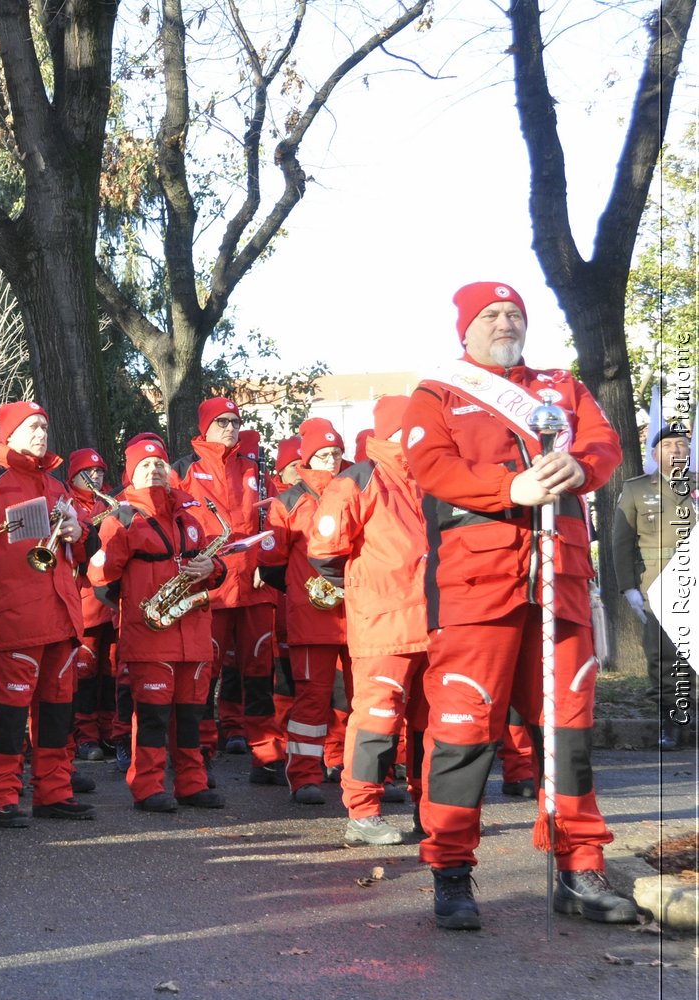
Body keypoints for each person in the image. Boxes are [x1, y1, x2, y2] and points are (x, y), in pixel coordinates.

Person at [403, 280, 635, 931]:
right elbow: (431, 464)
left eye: (514, 313)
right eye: (492, 313)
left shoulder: (563, 384)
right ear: (466, 329)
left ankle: (580, 868)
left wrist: (578, 468)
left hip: (558, 583)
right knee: (462, 734)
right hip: (478, 589)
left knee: (571, 734)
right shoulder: (439, 391)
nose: (505, 321)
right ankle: (451, 873)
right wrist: (511, 485)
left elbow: (603, 441)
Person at [0, 400, 93, 828]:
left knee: (55, 714)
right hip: (15, 620)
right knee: (10, 716)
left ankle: (54, 792)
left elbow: (80, 552)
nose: (40, 434)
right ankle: (2, 797)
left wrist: (78, 532)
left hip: (60, 617)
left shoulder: (56, 486)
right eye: (31, 427)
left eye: (44, 427)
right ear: (8, 435)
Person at [308, 395, 427, 846]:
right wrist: (368, 588)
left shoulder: (432, 476)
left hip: (436, 624)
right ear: (395, 430)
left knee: (432, 725)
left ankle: (430, 809)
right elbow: (324, 552)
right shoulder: (358, 480)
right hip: (385, 625)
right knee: (377, 719)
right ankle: (362, 813)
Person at [89, 437, 226, 811]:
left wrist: (211, 567)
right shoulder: (122, 518)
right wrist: (135, 608)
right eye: (144, 465)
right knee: (151, 716)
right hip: (150, 633)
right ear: (130, 473)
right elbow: (102, 578)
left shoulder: (191, 515)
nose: (154, 470)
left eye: (159, 464)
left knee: (190, 717)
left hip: (193, 633)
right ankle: (148, 787)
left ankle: (192, 783)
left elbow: (217, 564)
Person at [172, 399, 278, 766]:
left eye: (235, 421)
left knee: (260, 669)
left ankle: (266, 753)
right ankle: (199, 750)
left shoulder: (256, 469)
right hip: (210, 589)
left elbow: (273, 522)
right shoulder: (184, 469)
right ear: (205, 427)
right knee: (205, 671)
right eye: (221, 422)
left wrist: (270, 562)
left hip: (255, 584)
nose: (230, 428)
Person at [259, 419, 348, 805]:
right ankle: (304, 775)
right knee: (312, 699)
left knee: (352, 700)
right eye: (323, 454)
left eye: (336, 453)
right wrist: (302, 590)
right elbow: (272, 562)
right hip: (311, 618)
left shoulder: (357, 488)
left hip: (357, 613)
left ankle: (346, 766)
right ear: (307, 458)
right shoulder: (288, 501)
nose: (331, 460)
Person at [611, 426, 695, 750]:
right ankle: (671, 722)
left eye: (681, 444)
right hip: (658, 585)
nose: (675, 450)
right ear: (654, 454)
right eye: (667, 445)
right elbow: (621, 542)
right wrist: (629, 588)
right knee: (663, 656)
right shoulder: (636, 489)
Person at [66, 448, 120, 762]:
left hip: (108, 599)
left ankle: (108, 731)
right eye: (88, 472)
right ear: (73, 476)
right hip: (83, 597)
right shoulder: (67, 504)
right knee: (85, 672)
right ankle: (85, 735)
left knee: (109, 671)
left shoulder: (108, 504)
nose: (96, 477)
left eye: (100, 472)